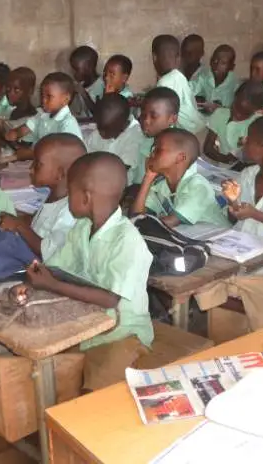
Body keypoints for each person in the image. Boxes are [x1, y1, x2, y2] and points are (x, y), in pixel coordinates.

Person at [28, 152, 154, 390]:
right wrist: (36, 277)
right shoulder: (81, 227)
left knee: (94, 394)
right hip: (86, 323)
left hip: (123, 333)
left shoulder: (127, 240)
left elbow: (110, 298)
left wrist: (52, 285)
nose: (67, 199)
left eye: (70, 192)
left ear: (86, 197)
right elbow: (58, 267)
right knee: (48, 376)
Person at [196, 116, 263, 330]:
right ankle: (236, 320)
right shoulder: (247, 175)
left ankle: (262, 324)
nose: (243, 142)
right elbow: (237, 216)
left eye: (249, 139)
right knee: (202, 282)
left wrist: (254, 213)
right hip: (237, 255)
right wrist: (233, 202)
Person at [0, 134, 85, 260]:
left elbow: (50, 252)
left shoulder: (70, 211)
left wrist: (19, 225)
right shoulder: (54, 196)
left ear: (59, 174)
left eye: (38, 164)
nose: (31, 169)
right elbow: (41, 224)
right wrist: (21, 219)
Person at [134, 128, 227, 227]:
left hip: (220, 234)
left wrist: (138, 223)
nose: (151, 154)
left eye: (158, 150)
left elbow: (166, 224)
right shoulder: (159, 186)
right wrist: (148, 178)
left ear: (180, 158)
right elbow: (135, 216)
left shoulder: (198, 186)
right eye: (152, 149)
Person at [4, 71, 84, 159]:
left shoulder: (68, 122)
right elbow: (26, 129)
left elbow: (63, 152)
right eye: (42, 95)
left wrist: (30, 154)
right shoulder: (42, 116)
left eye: (49, 96)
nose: (43, 100)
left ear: (65, 99)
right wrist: (16, 133)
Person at [203, 80, 263, 166]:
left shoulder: (258, 124)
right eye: (236, 107)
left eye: (244, 114)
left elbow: (258, 157)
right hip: (224, 167)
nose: (237, 114)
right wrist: (225, 159)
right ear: (234, 97)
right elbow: (207, 148)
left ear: (257, 110)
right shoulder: (220, 114)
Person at [84, 93, 143, 180]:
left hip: (116, 181)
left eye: (106, 130)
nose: (101, 133)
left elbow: (122, 168)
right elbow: (84, 151)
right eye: (99, 127)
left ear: (123, 125)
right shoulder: (104, 127)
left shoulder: (135, 136)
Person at [152, 34, 204, 133]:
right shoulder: (179, 76)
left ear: (154, 58)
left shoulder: (164, 83)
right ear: (178, 59)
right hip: (197, 127)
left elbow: (163, 119)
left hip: (185, 132)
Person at [130, 87, 179, 185]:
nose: (146, 121)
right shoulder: (140, 136)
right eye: (143, 114)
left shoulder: (179, 149)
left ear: (172, 119)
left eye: (154, 116)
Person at [0, 67, 37, 141]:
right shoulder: (13, 112)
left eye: (16, 90)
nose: (10, 93)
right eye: (8, 88)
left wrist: (0, 128)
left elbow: (17, 146)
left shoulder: (32, 119)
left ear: (30, 91)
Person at [192, 44, 239, 111]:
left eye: (223, 63)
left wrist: (219, 108)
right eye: (215, 60)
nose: (217, 65)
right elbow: (189, 90)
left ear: (231, 67)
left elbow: (237, 109)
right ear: (211, 61)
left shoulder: (235, 85)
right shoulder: (204, 76)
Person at [68, 44, 100, 117]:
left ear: (89, 67)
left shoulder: (102, 85)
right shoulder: (81, 84)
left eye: (76, 70)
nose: (74, 74)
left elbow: (99, 114)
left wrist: (84, 94)